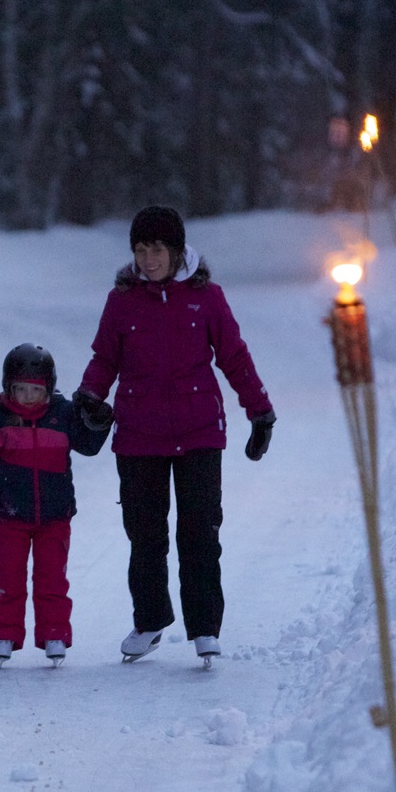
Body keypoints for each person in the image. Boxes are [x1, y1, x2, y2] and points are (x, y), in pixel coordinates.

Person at [74, 205, 276, 666]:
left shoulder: (206, 298)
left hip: (199, 430)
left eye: (158, 250)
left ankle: (205, 627)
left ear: (178, 250)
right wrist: (89, 394)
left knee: (200, 532)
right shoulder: (122, 301)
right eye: (141, 250)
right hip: (139, 434)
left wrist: (259, 411)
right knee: (145, 535)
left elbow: (234, 357)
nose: (148, 260)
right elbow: (105, 358)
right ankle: (150, 621)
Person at [0, 343, 108, 667]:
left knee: (52, 578)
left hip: (55, 516)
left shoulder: (62, 415)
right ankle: (3, 633)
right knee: (8, 576)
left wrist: (98, 423)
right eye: (20, 389)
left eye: (35, 390)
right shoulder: (0, 419)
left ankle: (54, 633)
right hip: (12, 515)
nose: (27, 397)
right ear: (8, 387)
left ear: (49, 388)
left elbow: (86, 445)